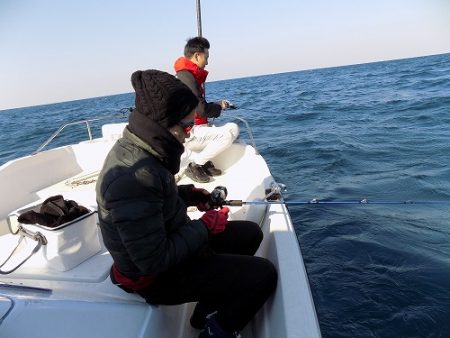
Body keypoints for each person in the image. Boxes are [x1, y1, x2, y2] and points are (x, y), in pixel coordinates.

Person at [96, 69, 277, 338]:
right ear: (164, 124)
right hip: (155, 279)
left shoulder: (145, 149)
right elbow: (152, 261)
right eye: (187, 125)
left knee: (250, 233)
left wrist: (192, 195)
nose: (190, 133)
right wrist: (205, 227)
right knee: (263, 276)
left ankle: (203, 315)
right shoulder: (131, 176)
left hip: (172, 245)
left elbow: (155, 199)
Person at [174, 36, 240, 183]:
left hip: (196, 127)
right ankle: (195, 165)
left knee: (233, 128)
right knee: (227, 136)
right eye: (206, 57)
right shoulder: (186, 77)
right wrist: (218, 106)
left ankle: (202, 163)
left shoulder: (188, 75)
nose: (207, 62)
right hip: (188, 132)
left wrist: (217, 105)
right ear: (197, 55)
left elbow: (197, 105)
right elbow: (201, 110)